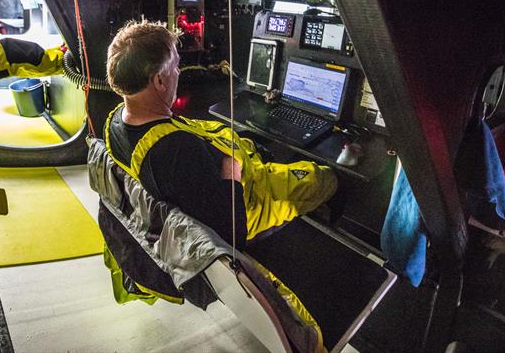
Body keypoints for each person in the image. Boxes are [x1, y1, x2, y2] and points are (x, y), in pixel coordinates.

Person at [104, 20, 338, 248]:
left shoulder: (116, 121)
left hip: (228, 174)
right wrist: (231, 170)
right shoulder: (177, 151)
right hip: (251, 204)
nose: (178, 71)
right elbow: (229, 232)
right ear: (159, 80)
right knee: (325, 177)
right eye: (175, 66)